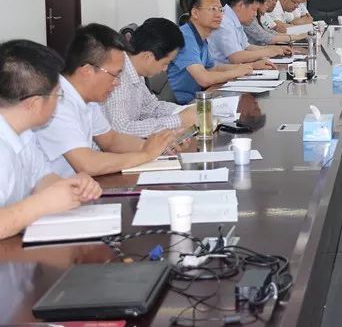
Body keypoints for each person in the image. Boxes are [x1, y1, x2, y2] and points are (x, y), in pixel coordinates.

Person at [34, 24, 178, 177]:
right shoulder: (57, 102)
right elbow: (87, 164)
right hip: (54, 188)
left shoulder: (88, 99)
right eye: (115, 74)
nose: (117, 83)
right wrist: (145, 155)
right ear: (87, 71)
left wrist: (157, 146)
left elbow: (111, 141)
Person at [0, 40, 102, 240]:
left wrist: (71, 186)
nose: (59, 101)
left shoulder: (25, 133)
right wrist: (41, 204)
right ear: (34, 104)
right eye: (58, 95)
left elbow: (41, 177)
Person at [102, 17, 197, 137]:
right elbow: (121, 130)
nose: (165, 69)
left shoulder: (135, 71)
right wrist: (178, 120)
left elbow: (151, 108)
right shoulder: (119, 76)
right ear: (148, 57)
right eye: (166, 63)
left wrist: (185, 111)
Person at [168, 0, 254, 105]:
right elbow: (204, 79)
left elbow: (213, 68)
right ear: (195, 13)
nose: (219, 15)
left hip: (200, 97)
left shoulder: (201, 36)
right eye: (213, 9)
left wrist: (244, 67)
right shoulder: (185, 37)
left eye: (220, 10)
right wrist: (235, 72)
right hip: (181, 105)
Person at [208, 0, 289, 67]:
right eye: (254, 9)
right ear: (241, 5)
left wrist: (274, 49)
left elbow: (247, 47)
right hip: (221, 72)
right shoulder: (224, 22)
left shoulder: (235, 20)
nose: (255, 14)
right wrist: (268, 52)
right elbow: (236, 57)